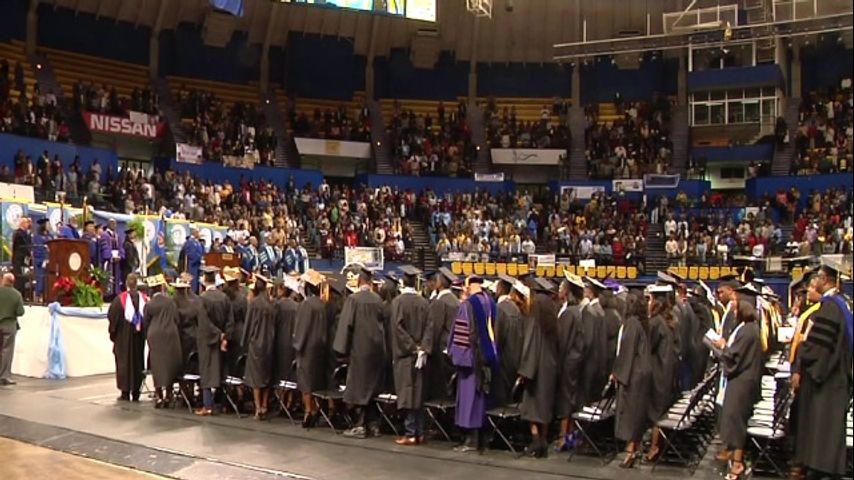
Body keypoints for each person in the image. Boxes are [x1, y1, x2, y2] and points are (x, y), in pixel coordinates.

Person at [792, 257, 852, 479]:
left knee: (823, 429)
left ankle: (821, 471)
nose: (813, 282)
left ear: (824, 279)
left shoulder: (830, 308)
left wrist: (803, 350)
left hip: (827, 380)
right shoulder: (842, 304)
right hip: (837, 375)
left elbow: (819, 347)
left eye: (816, 278)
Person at [711, 294, 764, 480]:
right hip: (743, 379)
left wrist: (722, 347)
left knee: (736, 422)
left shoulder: (748, 330)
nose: (733, 306)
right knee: (735, 421)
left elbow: (735, 356)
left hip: (742, 381)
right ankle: (735, 459)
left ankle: (737, 465)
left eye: (736, 302)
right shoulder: (747, 327)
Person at [333, 266, 387, 439]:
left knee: (358, 389)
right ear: (370, 282)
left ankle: (360, 426)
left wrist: (341, 350)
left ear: (358, 281)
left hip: (359, 351)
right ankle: (374, 425)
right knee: (371, 389)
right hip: (377, 352)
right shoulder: (378, 300)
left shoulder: (353, 300)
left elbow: (346, 325)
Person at [448, 275, 498, 453]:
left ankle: (471, 440)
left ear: (469, 286)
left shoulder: (467, 305)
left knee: (469, 399)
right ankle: (482, 438)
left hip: (470, 360)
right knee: (481, 399)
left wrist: (457, 356)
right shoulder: (490, 302)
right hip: (487, 359)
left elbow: (461, 334)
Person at [388, 265, 432, 445]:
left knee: (407, 393)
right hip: (421, 356)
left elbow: (398, 329)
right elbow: (430, 327)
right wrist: (423, 348)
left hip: (406, 355)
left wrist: (412, 347)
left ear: (403, 282)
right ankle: (420, 432)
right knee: (418, 394)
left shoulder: (398, 302)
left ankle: (410, 432)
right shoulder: (424, 302)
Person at [518, 278, 559, 458]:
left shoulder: (535, 317)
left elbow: (530, 344)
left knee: (532, 406)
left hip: (535, 367)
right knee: (545, 406)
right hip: (550, 365)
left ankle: (536, 441)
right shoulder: (553, 317)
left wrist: (524, 370)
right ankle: (544, 440)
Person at [611, 289, 652, 469]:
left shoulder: (632, 324)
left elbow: (627, 352)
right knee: (636, 414)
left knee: (630, 414)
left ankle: (630, 452)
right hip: (640, 373)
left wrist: (617, 373)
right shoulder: (642, 322)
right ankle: (634, 448)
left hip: (633, 375)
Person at [644, 284, 681, 463]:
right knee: (660, 409)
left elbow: (648, 347)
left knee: (656, 412)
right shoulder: (671, 320)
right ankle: (657, 444)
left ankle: (654, 447)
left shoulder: (655, 322)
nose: (648, 303)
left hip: (657, 372)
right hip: (667, 371)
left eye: (650, 299)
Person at [554, 273, 586, 451]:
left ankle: (563, 436)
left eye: (561, 287)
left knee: (566, 400)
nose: (559, 290)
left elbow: (563, 341)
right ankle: (571, 435)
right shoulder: (576, 311)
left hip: (567, 363)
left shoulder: (569, 313)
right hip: (575, 361)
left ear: (567, 291)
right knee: (571, 399)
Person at [196, 266, 233, 416]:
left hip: (207, 340)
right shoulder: (224, 297)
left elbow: (203, 322)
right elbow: (230, 320)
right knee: (221, 371)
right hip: (222, 341)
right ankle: (223, 404)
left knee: (206, 371)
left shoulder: (202, 299)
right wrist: (225, 336)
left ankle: (208, 405)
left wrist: (218, 335)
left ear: (205, 280)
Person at [293, 269, 328, 428]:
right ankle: (316, 408)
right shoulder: (322, 304)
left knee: (306, 382)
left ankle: (309, 411)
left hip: (307, 349)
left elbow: (303, 327)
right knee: (316, 382)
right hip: (320, 348)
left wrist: (297, 344)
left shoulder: (306, 304)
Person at [142, 274, 183, 408]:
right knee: (170, 364)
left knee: (157, 365)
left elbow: (146, 322)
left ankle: (159, 395)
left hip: (155, 335)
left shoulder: (149, 304)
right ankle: (169, 395)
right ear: (161, 287)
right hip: (170, 334)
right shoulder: (170, 302)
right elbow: (176, 318)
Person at [242, 275, 278, 420]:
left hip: (256, 343)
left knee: (256, 377)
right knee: (266, 376)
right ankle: (264, 405)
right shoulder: (271, 303)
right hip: (269, 342)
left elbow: (249, 324)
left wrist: (245, 341)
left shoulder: (255, 303)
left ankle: (257, 408)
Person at [107, 273, 148, 402]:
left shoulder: (119, 300)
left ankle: (125, 393)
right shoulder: (144, 300)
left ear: (126, 284)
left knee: (124, 363)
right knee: (137, 363)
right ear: (137, 284)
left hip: (123, 340)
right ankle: (136, 393)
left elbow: (112, 317)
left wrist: (113, 334)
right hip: (138, 340)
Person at [426, 268, 459, 402]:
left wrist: (426, 349)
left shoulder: (441, 301)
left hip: (441, 352)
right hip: (453, 349)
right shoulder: (455, 300)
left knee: (440, 389)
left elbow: (435, 328)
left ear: (439, 282)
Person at [492, 275, 523, 408]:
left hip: (503, 360)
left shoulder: (500, 308)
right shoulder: (516, 308)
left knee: (500, 400)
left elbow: (497, 337)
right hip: (515, 360)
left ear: (500, 288)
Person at [579, 277, 609, 405]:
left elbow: (590, 340)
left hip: (591, 361)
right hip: (597, 361)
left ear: (590, 292)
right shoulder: (598, 310)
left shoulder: (592, 312)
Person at [272, 276, 299, 410]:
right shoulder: (297, 306)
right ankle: (290, 401)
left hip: (280, 342)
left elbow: (274, 324)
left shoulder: (278, 305)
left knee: (281, 373)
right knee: (290, 374)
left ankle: (281, 402)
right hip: (293, 342)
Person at [222, 267, 248, 379]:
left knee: (226, 364)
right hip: (239, 333)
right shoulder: (242, 298)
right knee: (238, 366)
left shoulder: (223, 297)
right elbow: (245, 317)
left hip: (225, 333)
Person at [0, 273, 25, 386]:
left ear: (3, 280)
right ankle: (4, 377)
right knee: (7, 351)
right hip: (9, 325)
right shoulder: (17, 294)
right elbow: (20, 312)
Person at [100, 219, 125, 298]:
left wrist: (120, 256)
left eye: (115, 223)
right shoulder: (104, 235)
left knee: (117, 277)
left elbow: (121, 247)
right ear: (108, 224)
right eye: (112, 223)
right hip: (108, 261)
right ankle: (108, 294)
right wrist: (110, 257)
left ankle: (115, 293)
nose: (114, 225)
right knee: (108, 277)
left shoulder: (117, 236)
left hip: (116, 260)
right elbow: (105, 247)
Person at [32, 218, 53, 302]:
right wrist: (43, 259)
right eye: (48, 224)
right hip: (40, 261)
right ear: (43, 225)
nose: (49, 226)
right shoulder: (37, 236)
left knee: (49, 279)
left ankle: (48, 296)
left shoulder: (50, 236)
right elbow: (37, 249)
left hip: (50, 260)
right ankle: (39, 296)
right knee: (40, 280)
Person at [11, 217, 32, 295]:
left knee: (25, 277)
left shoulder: (27, 234)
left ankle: (24, 294)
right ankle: (18, 294)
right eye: (26, 222)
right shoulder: (18, 234)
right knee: (19, 278)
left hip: (25, 260)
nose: (28, 224)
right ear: (22, 223)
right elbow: (20, 247)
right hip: (19, 260)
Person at [179, 227, 203, 293]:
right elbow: (191, 254)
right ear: (194, 232)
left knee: (197, 284)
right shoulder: (190, 242)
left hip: (197, 266)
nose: (199, 234)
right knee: (192, 284)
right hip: (192, 266)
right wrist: (199, 258)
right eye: (198, 232)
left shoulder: (198, 242)